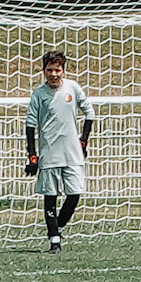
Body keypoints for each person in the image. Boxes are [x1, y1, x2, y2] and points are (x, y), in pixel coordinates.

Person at [23, 50, 94, 253]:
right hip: (50, 154)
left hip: (72, 153)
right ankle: (54, 239)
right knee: (50, 196)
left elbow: (89, 112)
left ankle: (58, 226)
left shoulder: (73, 88)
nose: (54, 74)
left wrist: (83, 141)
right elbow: (30, 125)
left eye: (57, 70)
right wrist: (32, 155)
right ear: (44, 71)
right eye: (49, 70)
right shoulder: (39, 94)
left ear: (63, 70)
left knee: (74, 194)